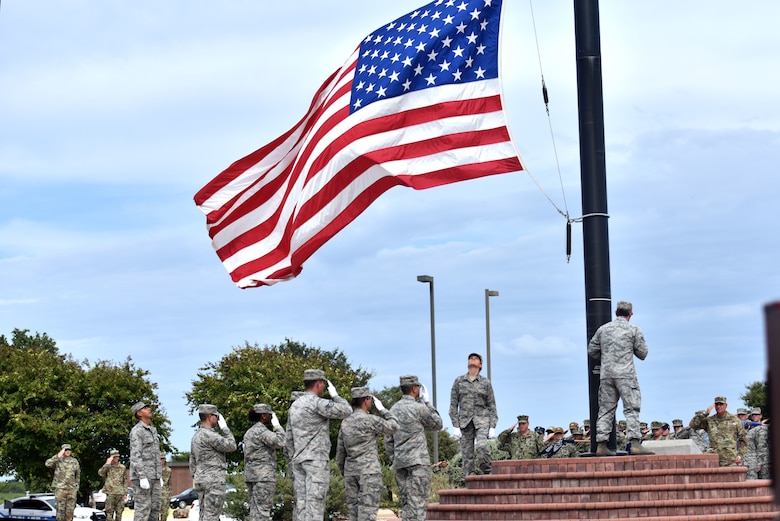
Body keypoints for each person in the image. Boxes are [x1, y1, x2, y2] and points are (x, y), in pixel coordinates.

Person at [587, 301, 654, 456]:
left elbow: (592, 350)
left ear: (616, 313)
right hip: (626, 375)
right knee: (631, 408)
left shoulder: (603, 329)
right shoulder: (634, 329)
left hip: (607, 375)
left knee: (605, 410)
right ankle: (635, 442)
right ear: (630, 314)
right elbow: (643, 354)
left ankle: (601, 445)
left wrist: (605, 358)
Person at [288, 369, 351, 521]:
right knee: (315, 504)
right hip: (315, 460)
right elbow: (346, 411)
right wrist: (335, 395)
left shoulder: (295, 406)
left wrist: (292, 461)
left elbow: (289, 440)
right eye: (323, 384)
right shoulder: (317, 403)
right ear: (318, 383)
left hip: (298, 460)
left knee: (302, 505)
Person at [336, 387, 399, 521]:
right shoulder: (371, 420)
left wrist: (344, 471)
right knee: (368, 513)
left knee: (353, 513)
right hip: (369, 471)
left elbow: (340, 453)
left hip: (350, 472)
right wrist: (383, 410)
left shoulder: (345, 423)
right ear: (366, 400)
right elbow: (394, 426)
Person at [386, 374, 442, 521]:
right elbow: (438, 424)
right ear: (414, 389)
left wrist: (395, 458)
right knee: (418, 504)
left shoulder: (392, 411)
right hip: (418, 463)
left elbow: (388, 440)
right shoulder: (419, 409)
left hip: (400, 464)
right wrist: (428, 403)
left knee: (407, 505)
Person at [448, 353, 497, 476]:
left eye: (476, 358)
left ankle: (488, 472)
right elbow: (453, 405)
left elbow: (492, 405)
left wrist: (492, 426)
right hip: (465, 422)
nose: (472, 360)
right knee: (467, 456)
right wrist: (455, 426)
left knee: (481, 447)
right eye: (470, 358)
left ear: (480, 365)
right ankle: (470, 481)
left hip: (482, 420)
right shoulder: (459, 381)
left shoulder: (485, 383)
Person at [190, 403, 237, 521]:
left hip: (200, 479)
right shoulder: (210, 435)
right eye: (216, 416)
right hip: (213, 480)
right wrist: (225, 428)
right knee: (212, 516)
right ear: (210, 417)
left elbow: (192, 460)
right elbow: (232, 446)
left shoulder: (196, 436)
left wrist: (196, 476)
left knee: (203, 514)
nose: (217, 419)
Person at [244, 404, 285, 521]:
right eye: (269, 415)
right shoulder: (262, 431)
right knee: (263, 512)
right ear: (263, 416)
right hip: (264, 477)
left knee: (255, 512)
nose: (271, 417)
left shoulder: (249, 432)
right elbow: (281, 441)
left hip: (251, 476)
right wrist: (277, 426)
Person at [689, 396, 747, 466]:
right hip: (713, 459)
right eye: (717, 404)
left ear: (726, 405)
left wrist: (740, 455)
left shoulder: (735, 420)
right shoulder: (709, 420)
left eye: (721, 404)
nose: (719, 406)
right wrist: (705, 413)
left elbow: (744, 440)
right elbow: (693, 425)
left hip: (730, 460)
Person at [129, 401, 162, 521]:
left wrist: (159, 475)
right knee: (143, 510)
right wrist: (142, 476)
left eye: (148, 407)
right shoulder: (137, 431)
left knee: (155, 509)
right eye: (145, 408)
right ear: (139, 413)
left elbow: (156, 454)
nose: (149, 409)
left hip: (154, 475)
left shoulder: (153, 430)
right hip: (142, 477)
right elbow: (135, 455)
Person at [45, 443, 80, 521]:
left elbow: (78, 474)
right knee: (60, 510)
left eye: (69, 450)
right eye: (66, 450)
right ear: (62, 451)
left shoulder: (74, 461)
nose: (68, 451)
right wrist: (58, 456)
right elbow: (47, 464)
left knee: (70, 511)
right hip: (60, 488)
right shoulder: (58, 460)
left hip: (71, 489)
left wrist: (76, 486)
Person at [284, 391, 304, 521]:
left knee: (300, 501)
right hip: (303, 466)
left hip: (296, 465)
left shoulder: (291, 421)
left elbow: (287, 447)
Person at [98, 449, 126, 521]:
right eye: (114, 457)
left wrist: (125, 492)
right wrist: (107, 464)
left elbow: (125, 480)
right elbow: (100, 473)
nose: (116, 458)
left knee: (119, 513)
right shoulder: (108, 467)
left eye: (117, 457)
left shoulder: (122, 467)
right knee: (109, 513)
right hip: (110, 492)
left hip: (120, 493)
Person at [745, 410, 769, 480]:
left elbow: (762, 447)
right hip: (751, 460)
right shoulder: (749, 427)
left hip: (763, 461)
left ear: (760, 416)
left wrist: (760, 462)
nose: (754, 416)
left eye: (756, 415)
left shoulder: (763, 429)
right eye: (753, 415)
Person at [159, 456, 171, 521]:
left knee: (165, 511)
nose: (162, 460)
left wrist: (169, 494)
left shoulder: (168, 470)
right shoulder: (155, 470)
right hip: (156, 492)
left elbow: (170, 483)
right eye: (160, 459)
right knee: (155, 511)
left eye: (163, 459)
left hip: (165, 493)